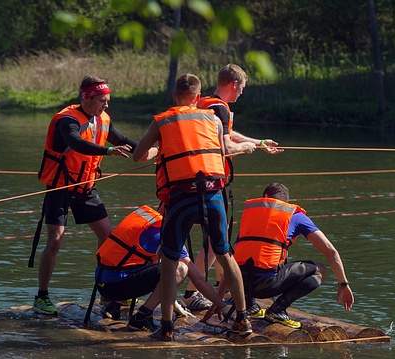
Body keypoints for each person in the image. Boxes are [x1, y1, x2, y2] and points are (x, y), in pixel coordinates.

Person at [133, 73, 252, 341]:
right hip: (213, 194)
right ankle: (243, 319)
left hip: (181, 198)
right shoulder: (212, 117)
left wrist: (157, 151)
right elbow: (223, 148)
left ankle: (166, 328)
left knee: (169, 262)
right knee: (224, 254)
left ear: (174, 96)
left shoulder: (162, 120)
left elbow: (138, 155)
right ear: (198, 98)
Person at [31, 74, 157, 315]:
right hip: (61, 187)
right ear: (86, 98)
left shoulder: (103, 119)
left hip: (86, 189)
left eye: (107, 100)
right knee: (55, 241)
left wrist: (156, 150)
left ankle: (107, 294)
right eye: (101, 100)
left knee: (109, 239)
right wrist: (108, 151)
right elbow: (76, 142)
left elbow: (125, 141)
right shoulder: (67, 120)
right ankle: (42, 296)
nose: (106, 105)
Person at [182, 63, 283, 306]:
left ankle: (219, 287)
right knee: (215, 240)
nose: (241, 93)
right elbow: (226, 146)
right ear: (234, 84)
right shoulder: (220, 108)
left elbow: (228, 134)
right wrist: (246, 149)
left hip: (196, 178)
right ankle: (192, 293)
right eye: (242, 88)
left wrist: (259, 142)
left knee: (219, 238)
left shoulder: (207, 103)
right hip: (211, 181)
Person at [232, 182, 354, 328]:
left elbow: (233, 253)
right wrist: (343, 283)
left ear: (265, 197)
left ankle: (250, 305)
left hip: (240, 284)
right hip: (267, 286)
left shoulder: (252, 215)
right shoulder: (294, 216)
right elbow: (330, 250)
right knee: (319, 269)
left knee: (253, 258)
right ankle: (278, 309)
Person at [95, 205, 230, 332]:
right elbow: (198, 278)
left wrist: (174, 304)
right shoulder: (165, 233)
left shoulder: (148, 219)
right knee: (180, 269)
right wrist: (222, 306)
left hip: (104, 283)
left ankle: (115, 304)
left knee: (160, 263)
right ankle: (142, 316)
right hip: (116, 286)